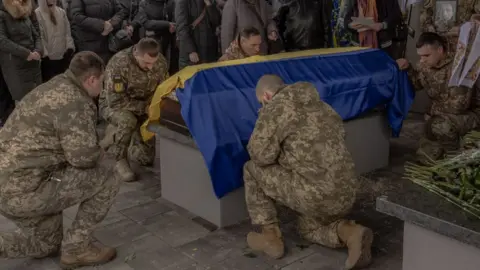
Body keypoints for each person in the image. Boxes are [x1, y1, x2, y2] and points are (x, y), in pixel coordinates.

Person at [0, 51, 122, 268]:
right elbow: (83, 159)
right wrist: (106, 141)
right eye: (101, 82)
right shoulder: (75, 102)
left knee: (46, 244)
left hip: (11, 185)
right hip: (24, 191)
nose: (102, 88)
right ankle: (77, 249)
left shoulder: (55, 86)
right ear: (91, 79)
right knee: (108, 175)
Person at [244, 74, 373, 270]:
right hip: (346, 192)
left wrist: (264, 115)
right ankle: (350, 233)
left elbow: (259, 155)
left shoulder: (276, 109)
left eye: (262, 102)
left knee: (250, 169)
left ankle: (270, 236)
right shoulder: (322, 106)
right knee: (308, 228)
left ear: (267, 96)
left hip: (315, 195)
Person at [396, 32, 478, 163]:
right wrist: (408, 69)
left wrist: (432, 113)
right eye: (420, 56)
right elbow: (417, 84)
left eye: (426, 55)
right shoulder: (427, 63)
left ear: (440, 50)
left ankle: (456, 159)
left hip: (470, 114)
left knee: (439, 126)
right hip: (440, 115)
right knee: (424, 157)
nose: (422, 60)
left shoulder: (459, 66)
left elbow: (458, 106)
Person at [99, 38, 168, 182]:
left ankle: (116, 138)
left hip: (145, 107)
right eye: (146, 63)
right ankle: (120, 160)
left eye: (153, 63)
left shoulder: (160, 62)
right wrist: (144, 108)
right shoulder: (119, 64)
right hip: (116, 106)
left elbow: (163, 89)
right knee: (127, 120)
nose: (150, 67)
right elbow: (115, 101)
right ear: (136, 54)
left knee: (146, 159)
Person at [0, 0, 43, 103]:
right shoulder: (2, 15)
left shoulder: (24, 14)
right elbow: (2, 40)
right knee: (23, 103)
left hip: (33, 63)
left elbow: (36, 35)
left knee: (38, 99)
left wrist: (38, 51)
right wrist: (26, 53)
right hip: (16, 66)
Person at [36, 0, 75, 82]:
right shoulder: (38, 13)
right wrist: (45, 54)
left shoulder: (61, 12)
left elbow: (67, 32)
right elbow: (40, 36)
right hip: (48, 59)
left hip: (63, 56)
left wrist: (69, 47)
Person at [175, 0, 221, 69]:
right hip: (192, 52)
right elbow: (182, 28)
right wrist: (191, 50)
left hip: (209, 51)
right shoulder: (183, 2)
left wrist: (209, 5)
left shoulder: (211, 1)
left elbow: (216, 21)